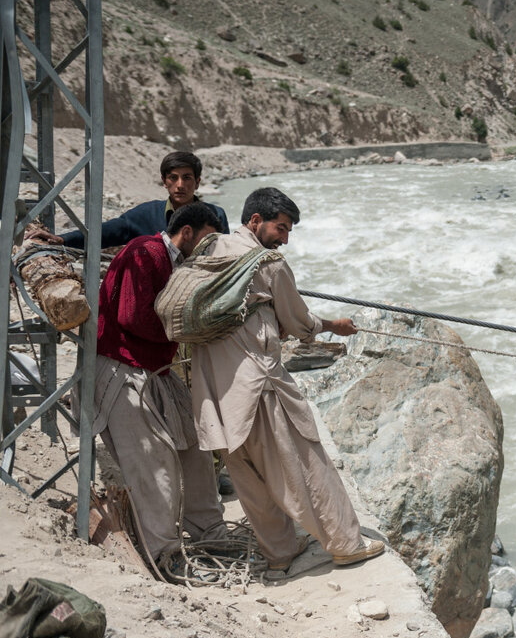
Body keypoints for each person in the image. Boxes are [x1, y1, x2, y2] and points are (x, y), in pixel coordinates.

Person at [188, 187, 384, 571]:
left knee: (248, 477)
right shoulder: (267, 263)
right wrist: (333, 326)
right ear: (255, 221)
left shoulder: (206, 252)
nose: (285, 239)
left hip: (212, 391)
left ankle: (279, 554)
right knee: (308, 462)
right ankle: (345, 542)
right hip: (259, 386)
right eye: (281, 228)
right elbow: (299, 321)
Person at [91, 203, 228, 561]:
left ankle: (210, 533)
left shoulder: (176, 262)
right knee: (154, 464)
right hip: (124, 370)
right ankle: (164, 554)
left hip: (155, 369)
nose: (209, 250)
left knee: (196, 446)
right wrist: (190, 329)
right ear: (187, 233)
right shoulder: (146, 252)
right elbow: (132, 316)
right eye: (206, 241)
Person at [36, 151, 229, 248]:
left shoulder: (215, 215)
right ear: (164, 182)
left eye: (187, 178)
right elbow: (109, 231)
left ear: (197, 182)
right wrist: (64, 239)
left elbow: (227, 257)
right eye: (173, 178)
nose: (180, 185)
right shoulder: (146, 214)